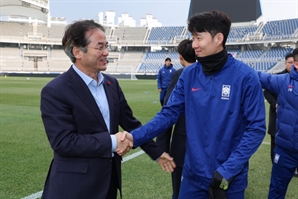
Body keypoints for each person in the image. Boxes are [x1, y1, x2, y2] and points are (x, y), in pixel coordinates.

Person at [120, 10, 266, 199]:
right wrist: (134, 137)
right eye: (192, 38)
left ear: (218, 38)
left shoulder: (246, 77)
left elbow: (256, 129)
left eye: (198, 38)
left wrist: (227, 170)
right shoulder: (188, 75)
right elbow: (168, 114)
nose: (194, 44)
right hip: (192, 176)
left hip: (229, 179)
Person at [40, 19, 173, 199]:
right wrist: (113, 141)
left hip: (108, 182)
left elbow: (130, 123)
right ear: (77, 52)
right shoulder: (56, 90)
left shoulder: (111, 84)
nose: (106, 52)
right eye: (100, 47)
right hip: (74, 187)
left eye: (106, 46)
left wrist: (156, 152)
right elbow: (64, 142)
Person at [156, 39, 196, 199]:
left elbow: (168, 112)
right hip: (199, 146)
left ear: (180, 57)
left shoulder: (181, 74)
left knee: (181, 191)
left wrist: (162, 147)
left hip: (184, 146)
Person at [257, 47, 298, 199]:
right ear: (296, 64)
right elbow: (260, 77)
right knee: (276, 191)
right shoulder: (284, 81)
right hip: (285, 150)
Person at [263, 53, 294, 163]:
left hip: (291, 120)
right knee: (275, 141)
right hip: (276, 116)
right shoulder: (278, 78)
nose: (291, 65)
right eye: (289, 62)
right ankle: (274, 162)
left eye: (293, 62)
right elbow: (267, 92)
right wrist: (275, 103)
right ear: (285, 63)